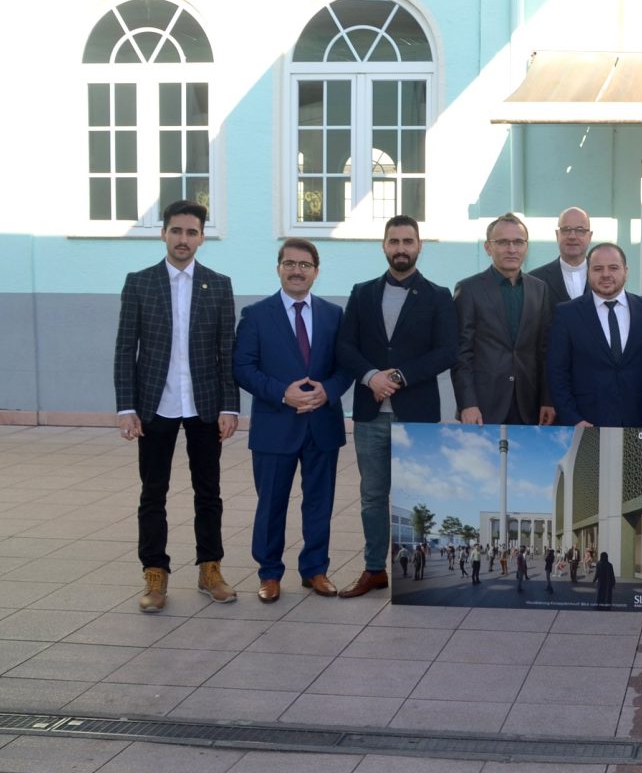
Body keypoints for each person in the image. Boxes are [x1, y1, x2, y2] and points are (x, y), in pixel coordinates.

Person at [113, 200, 239, 613]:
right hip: (155, 405)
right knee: (153, 493)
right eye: (176, 231)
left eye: (191, 232)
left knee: (209, 492)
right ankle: (155, 573)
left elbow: (227, 350)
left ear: (202, 237)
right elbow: (124, 350)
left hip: (204, 405)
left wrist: (230, 407)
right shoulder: (139, 283)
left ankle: (210, 568)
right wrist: (126, 407)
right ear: (163, 233)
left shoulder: (218, 285)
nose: (183, 239)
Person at [335, 214, 460, 598]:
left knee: (418, 496)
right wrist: (372, 376)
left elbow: (446, 351)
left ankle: (421, 574)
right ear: (384, 246)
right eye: (394, 241)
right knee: (373, 495)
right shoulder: (363, 292)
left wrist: (399, 377)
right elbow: (345, 347)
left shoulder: (438, 296)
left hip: (417, 414)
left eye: (408, 241)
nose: (401, 248)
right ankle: (375, 569)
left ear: (419, 246)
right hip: (371, 415)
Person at [232, 237, 350, 604]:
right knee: (272, 504)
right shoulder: (256, 315)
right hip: (275, 424)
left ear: (316, 271)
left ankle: (315, 569)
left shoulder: (334, 315)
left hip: (322, 423)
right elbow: (243, 368)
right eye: (289, 264)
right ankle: (269, 573)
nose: (297, 271)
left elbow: (346, 365)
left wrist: (327, 391)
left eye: (304, 265)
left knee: (319, 502)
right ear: (278, 268)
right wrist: (284, 392)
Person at [452, 213, 555, 426]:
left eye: (518, 242)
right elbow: (461, 353)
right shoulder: (469, 289)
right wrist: (467, 403)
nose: (511, 249)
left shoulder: (540, 289)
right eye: (503, 242)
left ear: (526, 247)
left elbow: (544, 351)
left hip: (529, 405)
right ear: (488, 247)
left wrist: (547, 400)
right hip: (482, 407)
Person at [546, 243, 642, 427]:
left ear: (626, 271)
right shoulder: (567, 314)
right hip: (586, 424)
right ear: (588, 273)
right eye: (598, 269)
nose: (606, 274)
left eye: (613, 268)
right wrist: (573, 419)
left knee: (632, 459)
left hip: (638, 424)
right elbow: (557, 373)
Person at [529, 206, 593, 304]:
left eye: (580, 230)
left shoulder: (603, 276)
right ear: (557, 235)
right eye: (566, 230)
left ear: (590, 236)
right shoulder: (535, 280)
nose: (572, 236)